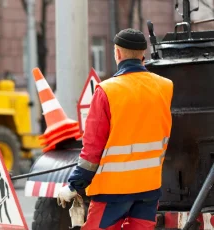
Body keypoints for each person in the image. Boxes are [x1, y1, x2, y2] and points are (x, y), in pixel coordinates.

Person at [57, 28, 173, 230]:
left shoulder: (107, 91)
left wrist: (74, 186)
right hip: (149, 188)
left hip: (112, 192)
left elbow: (92, 151)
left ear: (117, 53)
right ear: (143, 55)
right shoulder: (165, 87)